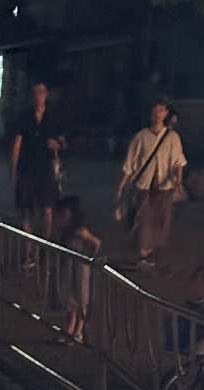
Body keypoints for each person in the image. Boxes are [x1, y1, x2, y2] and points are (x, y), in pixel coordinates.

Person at [115, 98, 187, 269]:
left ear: (166, 113)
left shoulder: (172, 137)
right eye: (155, 111)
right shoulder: (141, 136)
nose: (157, 114)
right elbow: (130, 163)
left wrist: (178, 181)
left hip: (165, 185)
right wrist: (121, 185)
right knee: (143, 218)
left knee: (161, 219)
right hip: (144, 184)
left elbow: (178, 161)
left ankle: (155, 252)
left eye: (161, 110)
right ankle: (143, 253)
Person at [10, 82, 66, 239]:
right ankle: (29, 245)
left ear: (46, 94)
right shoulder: (24, 116)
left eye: (41, 92)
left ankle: (43, 244)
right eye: (35, 92)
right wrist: (13, 171)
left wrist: (58, 144)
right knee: (26, 209)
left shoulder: (53, 116)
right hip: (27, 167)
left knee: (47, 208)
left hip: (46, 168)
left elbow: (63, 141)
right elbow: (17, 144)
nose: (38, 96)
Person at [54, 196, 101, 344]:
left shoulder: (80, 230)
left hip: (80, 267)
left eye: (64, 213)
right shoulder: (65, 231)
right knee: (69, 298)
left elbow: (96, 242)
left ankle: (78, 330)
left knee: (81, 297)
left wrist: (89, 258)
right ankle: (69, 329)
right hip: (69, 266)